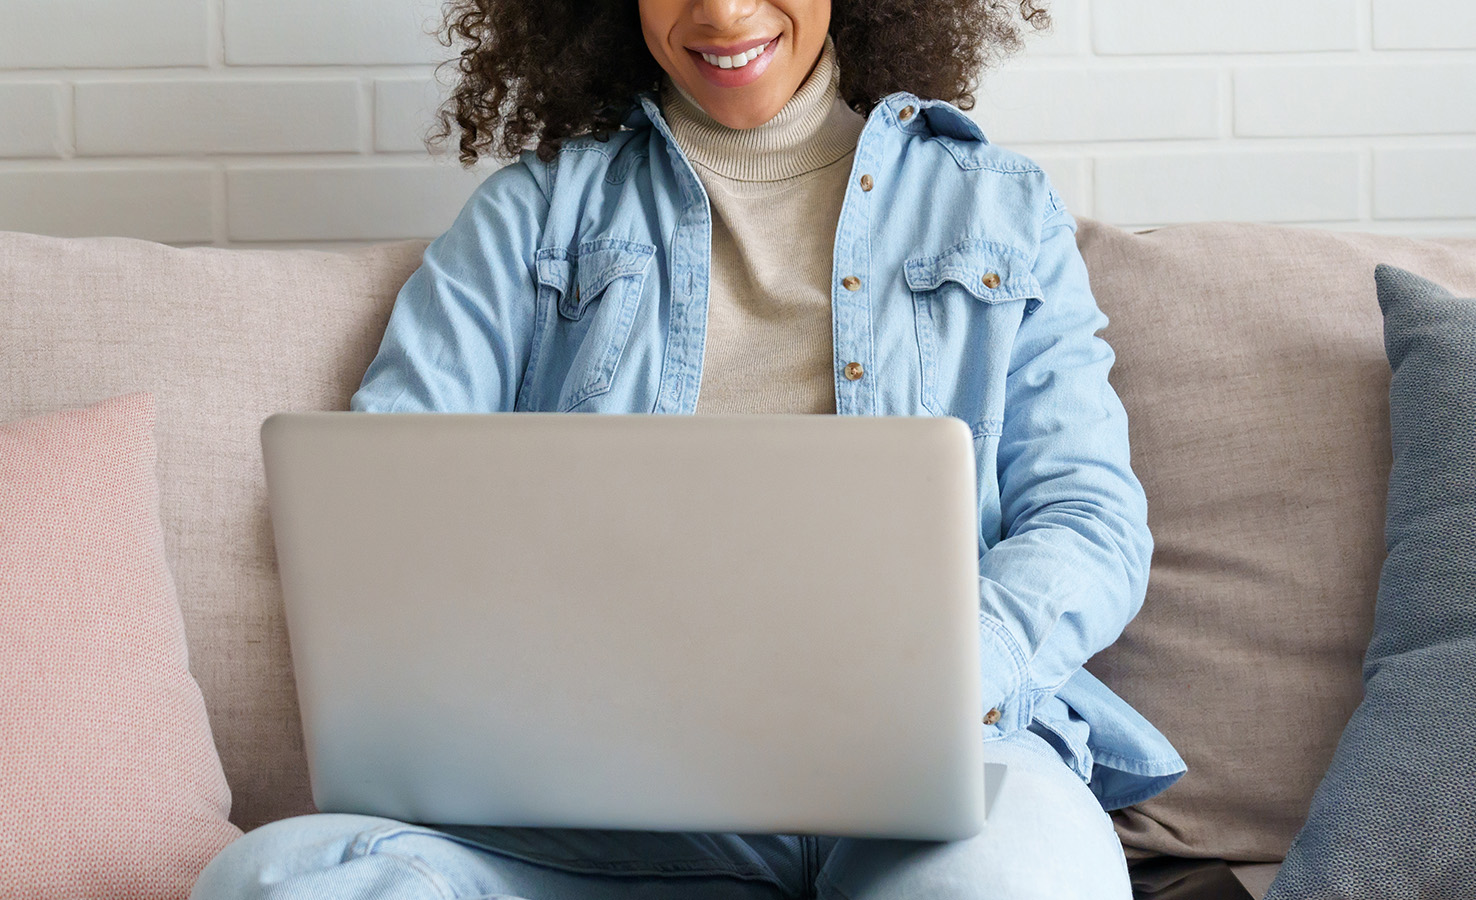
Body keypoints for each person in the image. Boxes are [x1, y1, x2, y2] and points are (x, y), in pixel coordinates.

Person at [191, 0, 1187, 897]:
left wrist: (954, 675)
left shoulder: (999, 210)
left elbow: (1090, 518)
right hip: (589, 805)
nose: (721, 11)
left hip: (934, 785)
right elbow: (384, 501)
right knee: (272, 877)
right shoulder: (531, 216)